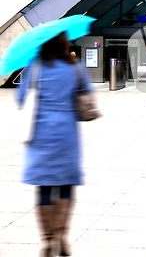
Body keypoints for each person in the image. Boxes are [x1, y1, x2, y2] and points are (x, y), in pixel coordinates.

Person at [15, 32, 94, 257]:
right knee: (67, 184)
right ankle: (61, 235)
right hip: (67, 132)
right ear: (63, 43)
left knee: (44, 187)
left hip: (40, 133)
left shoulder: (35, 68)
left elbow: (21, 99)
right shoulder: (76, 66)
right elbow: (87, 95)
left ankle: (48, 240)